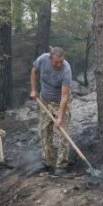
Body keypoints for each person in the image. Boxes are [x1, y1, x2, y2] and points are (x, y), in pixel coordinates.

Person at [30, 47, 73, 176]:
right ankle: (47, 162)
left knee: (63, 134)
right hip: (44, 100)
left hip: (60, 102)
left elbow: (65, 96)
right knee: (44, 131)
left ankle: (61, 165)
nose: (59, 64)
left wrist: (60, 118)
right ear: (50, 59)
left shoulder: (66, 70)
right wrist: (33, 89)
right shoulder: (42, 59)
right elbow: (34, 71)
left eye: (61, 61)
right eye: (56, 62)